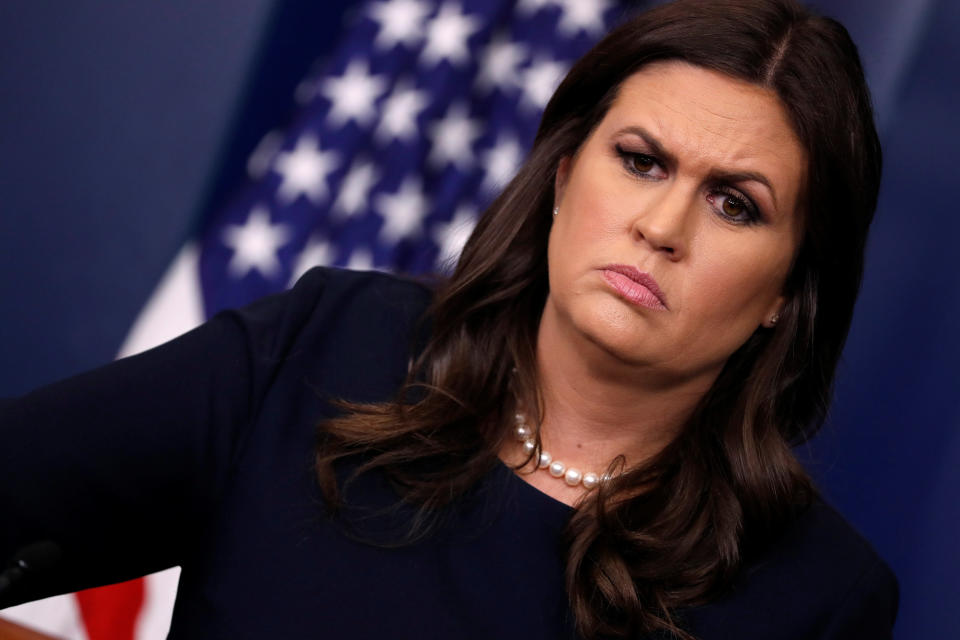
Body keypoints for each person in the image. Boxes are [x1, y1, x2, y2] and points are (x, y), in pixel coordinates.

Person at [1, 0, 897, 638]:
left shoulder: (818, 596)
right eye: (640, 161)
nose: (661, 228)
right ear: (560, 177)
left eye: (736, 205)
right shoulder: (325, 344)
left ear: (790, 287)